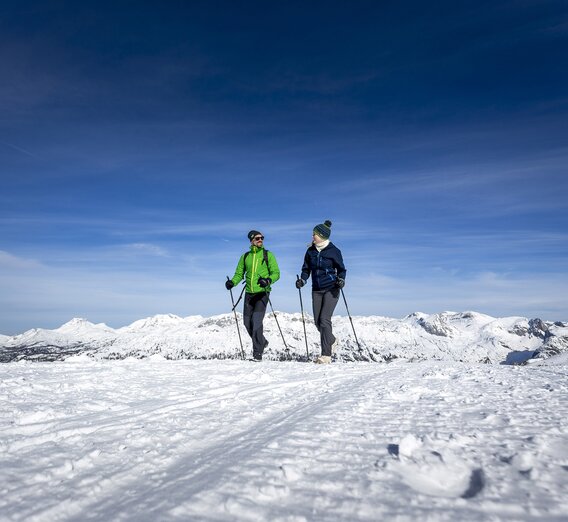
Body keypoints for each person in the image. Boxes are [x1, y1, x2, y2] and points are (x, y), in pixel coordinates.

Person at [296, 220, 346, 364]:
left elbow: (342, 269)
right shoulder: (310, 251)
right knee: (318, 322)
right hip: (316, 289)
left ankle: (326, 356)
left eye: (315, 234)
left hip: (332, 288)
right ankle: (332, 340)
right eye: (313, 234)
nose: (313, 237)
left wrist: (341, 280)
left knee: (324, 319)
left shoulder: (334, 251)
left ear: (323, 236)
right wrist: (303, 280)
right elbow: (306, 269)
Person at [226, 230, 280, 361]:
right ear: (251, 241)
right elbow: (239, 274)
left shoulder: (268, 255)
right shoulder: (245, 257)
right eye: (257, 238)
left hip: (262, 293)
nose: (260, 240)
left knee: (256, 322)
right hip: (249, 293)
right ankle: (262, 342)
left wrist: (267, 280)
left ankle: (257, 354)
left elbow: (276, 273)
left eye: (262, 238)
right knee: (246, 323)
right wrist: (232, 282)